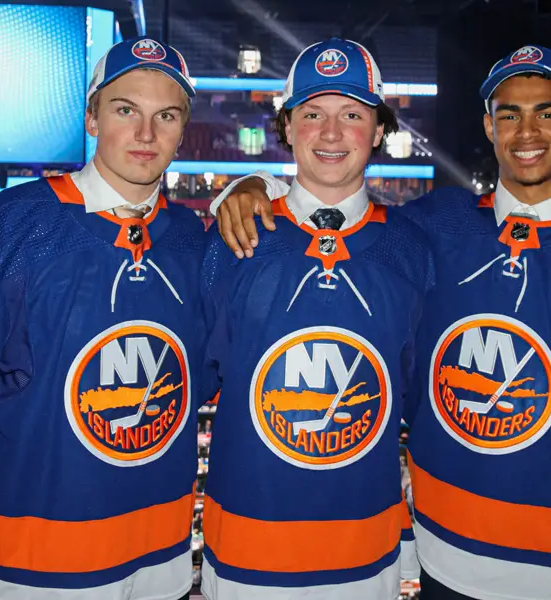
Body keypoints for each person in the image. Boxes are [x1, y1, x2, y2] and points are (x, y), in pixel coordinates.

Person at [210, 44, 551, 600]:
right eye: (509, 114)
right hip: (440, 567)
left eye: (546, 111)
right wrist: (252, 187)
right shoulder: (434, 228)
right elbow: (333, 211)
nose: (527, 132)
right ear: (489, 126)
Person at [0, 37, 207, 600]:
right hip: (31, 569)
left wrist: (261, 187)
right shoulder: (9, 227)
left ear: (183, 130)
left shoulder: (191, 239)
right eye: (125, 109)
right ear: (91, 117)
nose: (145, 134)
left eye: (167, 116)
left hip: (162, 564)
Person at [198, 38, 428, 599]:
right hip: (246, 555)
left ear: (378, 131)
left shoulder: (413, 249)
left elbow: (423, 409)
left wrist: (413, 549)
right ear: (287, 127)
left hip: (367, 558)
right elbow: (188, 385)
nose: (331, 133)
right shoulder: (233, 239)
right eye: (313, 114)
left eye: (352, 115)